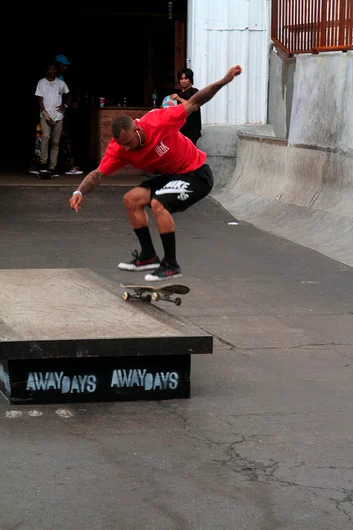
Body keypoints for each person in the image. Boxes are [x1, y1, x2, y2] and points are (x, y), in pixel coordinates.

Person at [69, 65, 242, 281]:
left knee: (159, 203)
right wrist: (79, 192)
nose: (127, 149)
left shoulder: (159, 121)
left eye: (129, 143)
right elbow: (97, 174)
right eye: (122, 145)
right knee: (131, 199)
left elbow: (195, 101)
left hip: (196, 174)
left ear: (137, 130)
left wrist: (225, 79)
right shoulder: (118, 149)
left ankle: (170, 264)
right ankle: (148, 255)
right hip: (170, 177)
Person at [35, 62, 71, 177]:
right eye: (50, 69)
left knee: (56, 142)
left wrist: (65, 106)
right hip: (46, 116)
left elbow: (69, 96)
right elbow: (40, 101)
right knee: (45, 137)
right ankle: (43, 163)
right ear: (46, 70)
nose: (52, 71)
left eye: (54, 69)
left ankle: (52, 166)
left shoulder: (61, 83)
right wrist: (46, 116)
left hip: (58, 117)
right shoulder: (41, 82)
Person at [55, 54, 83, 175]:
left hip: (62, 114)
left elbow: (69, 95)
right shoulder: (49, 80)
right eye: (63, 65)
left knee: (65, 139)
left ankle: (68, 166)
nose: (65, 67)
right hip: (49, 114)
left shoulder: (64, 79)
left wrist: (66, 106)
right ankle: (52, 166)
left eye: (66, 65)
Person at [170, 68, 202, 145]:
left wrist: (178, 99)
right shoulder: (179, 95)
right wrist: (165, 106)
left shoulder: (194, 91)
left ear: (190, 80)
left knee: (190, 154)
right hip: (180, 131)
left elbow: (193, 106)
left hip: (192, 131)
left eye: (186, 78)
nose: (183, 81)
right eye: (181, 79)